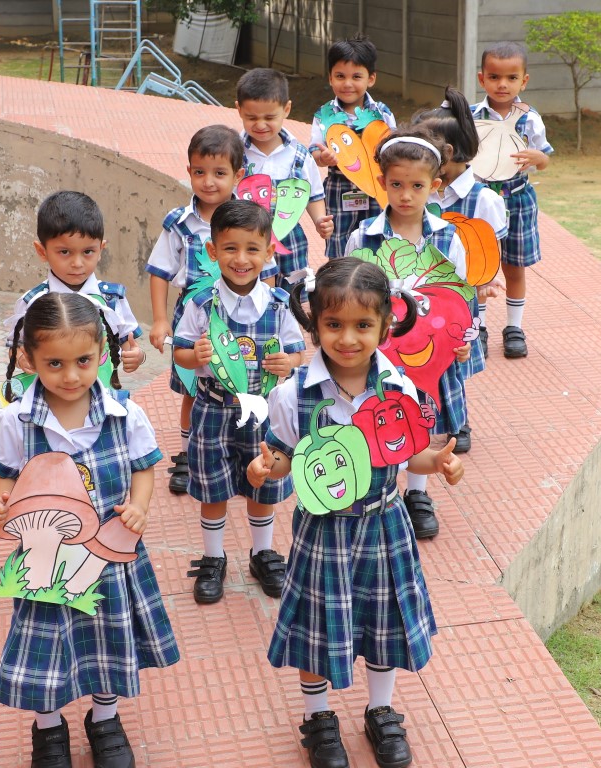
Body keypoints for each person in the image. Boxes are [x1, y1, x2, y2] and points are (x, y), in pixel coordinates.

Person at [247, 258, 464, 768]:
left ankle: (381, 709)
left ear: (385, 325)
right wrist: (264, 469)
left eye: (363, 325)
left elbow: (409, 454)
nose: (348, 338)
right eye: (334, 324)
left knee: (385, 621)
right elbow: (281, 456)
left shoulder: (400, 388)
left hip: (386, 524)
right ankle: (319, 718)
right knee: (317, 627)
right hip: (322, 530)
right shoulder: (291, 394)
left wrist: (438, 462)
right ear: (315, 323)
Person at [0, 292, 178, 768]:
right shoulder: (15, 420)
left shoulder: (123, 414)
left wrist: (138, 506)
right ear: (29, 358)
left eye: (83, 361)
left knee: (108, 638)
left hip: (109, 555)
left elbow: (144, 467)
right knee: (43, 646)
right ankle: (49, 730)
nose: (70, 376)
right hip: (45, 564)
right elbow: (3, 477)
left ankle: (105, 720)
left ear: (101, 353)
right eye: (54, 363)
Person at [174, 200, 305, 604]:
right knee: (212, 488)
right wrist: (191, 358)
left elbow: (298, 353)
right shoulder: (200, 305)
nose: (241, 258)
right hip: (213, 409)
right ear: (213, 252)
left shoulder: (279, 304)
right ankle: (213, 558)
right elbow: (179, 353)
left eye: (252, 248)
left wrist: (289, 362)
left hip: (262, 411)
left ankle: (262, 552)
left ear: (269, 250)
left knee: (262, 481)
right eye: (230, 248)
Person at [345, 126, 472, 540]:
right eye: (396, 184)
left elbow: (459, 299)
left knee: (423, 414)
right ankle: (374, 487)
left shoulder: (449, 237)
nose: (405, 194)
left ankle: (417, 493)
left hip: (430, 349)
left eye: (416, 185)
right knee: (381, 412)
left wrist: (463, 342)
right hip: (380, 346)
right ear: (381, 182)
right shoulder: (362, 236)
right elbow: (349, 292)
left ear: (434, 186)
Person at [146, 125, 277, 495]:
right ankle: (191, 455)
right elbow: (159, 271)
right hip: (195, 318)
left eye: (219, 174)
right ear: (188, 171)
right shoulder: (179, 223)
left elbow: (266, 274)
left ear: (238, 175)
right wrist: (159, 320)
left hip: (246, 322)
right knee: (195, 388)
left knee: (244, 387)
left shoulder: (253, 220)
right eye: (199, 172)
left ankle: (244, 451)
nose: (208, 182)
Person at [414, 85, 509, 451]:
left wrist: (487, 282)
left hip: (460, 295)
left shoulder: (482, 199)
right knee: (419, 351)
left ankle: (458, 422)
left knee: (453, 357)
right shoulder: (423, 190)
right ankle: (419, 415)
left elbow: (489, 250)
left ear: (447, 153)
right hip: (419, 288)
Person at [5, 190, 145, 387]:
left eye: (88, 251)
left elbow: (128, 342)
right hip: (50, 404)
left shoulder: (113, 298)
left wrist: (137, 356)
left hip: (102, 403)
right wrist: (20, 357)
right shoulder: (34, 303)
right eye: (64, 252)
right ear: (41, 251)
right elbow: (15, 346)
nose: (77, 263)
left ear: (101, 250)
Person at [471, 41, 553, 359]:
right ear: (482, 79)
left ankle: (514, 328)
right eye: (494, 77)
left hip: (518, 201)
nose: (502, 84)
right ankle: (477, 327)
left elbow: (544, 159)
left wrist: (538, 158)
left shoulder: (530, 119)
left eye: (511, 77)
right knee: (479, 266)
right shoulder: (471, 116)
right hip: (479, 203)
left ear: (524, 80)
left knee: (514, 267)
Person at [236, 68, 333, 287]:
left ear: (286, 109)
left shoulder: (299, 154)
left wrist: (319, 220)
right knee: (249, 288)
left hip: (290, 239)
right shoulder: (234, 151)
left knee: (293, 289)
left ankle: (290, 319)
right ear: (239, 110)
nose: (260, 125)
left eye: (269, 117)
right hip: (246, 239)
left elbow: (313, 194)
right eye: (252, 117)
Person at [310, 34, 396, 260]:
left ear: (371, 78)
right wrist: (323, 157)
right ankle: (339, 289)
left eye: (356, 76)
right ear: (330, 78)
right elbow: (314, 152)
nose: (347, 83)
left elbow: (396, 148)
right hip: (340, 189)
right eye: (340, 76)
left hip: (378, 189)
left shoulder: (382, 113)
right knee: (340, 243)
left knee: (380, 241)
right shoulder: (324, 115)